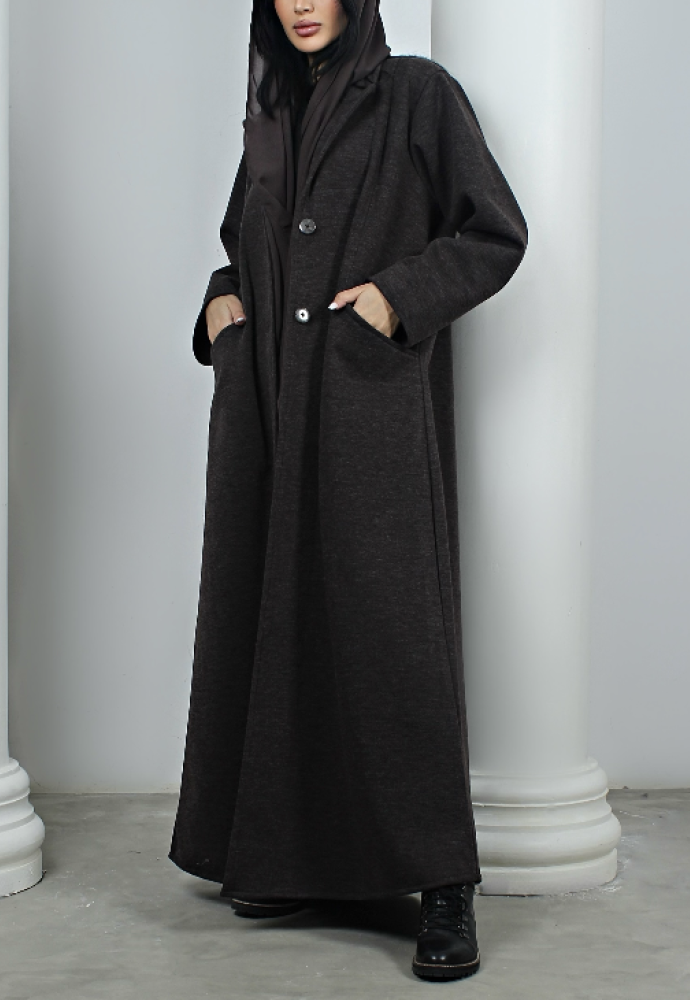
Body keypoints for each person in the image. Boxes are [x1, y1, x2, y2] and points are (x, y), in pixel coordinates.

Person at [169, 0, 527, 983]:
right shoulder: (274, 116)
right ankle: (286, 859)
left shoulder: (417, 95)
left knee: (391, 637)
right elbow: (245, 245)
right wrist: (221, 302)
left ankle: (442, 884)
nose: (301, 2)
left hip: (363, 404)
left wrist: (393, 301)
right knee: (275, 625)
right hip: (270, 404)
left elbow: (494, 233)